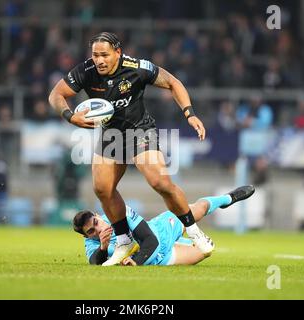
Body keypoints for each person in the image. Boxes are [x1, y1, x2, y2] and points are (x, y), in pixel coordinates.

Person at [49, 32, 210, 266]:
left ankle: (193, 230)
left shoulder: (137, 68)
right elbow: (56, 94)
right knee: (102, 188)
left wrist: (189, 114)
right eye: (95, 55)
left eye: (104, 55)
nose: (100, 60)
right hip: (110, 134)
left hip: (139, 131)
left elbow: (173, 83)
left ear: (117, 53)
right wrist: (70, 116)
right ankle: (124, 239)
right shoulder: (85, 71)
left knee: (159, 182)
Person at [73, 185, 255, 266]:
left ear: (98, 215)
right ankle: (186, 242)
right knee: (205, 251)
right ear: (86, 236)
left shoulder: (119, 212)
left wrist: (136, 262)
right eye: (91, 231)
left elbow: (151, 241)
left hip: (160, 231)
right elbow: (95, 262)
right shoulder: (93, 244)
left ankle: (227, 198)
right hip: (162, 258)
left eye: (96, 223)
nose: (97, 230)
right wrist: (104, 248)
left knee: (195, 210)